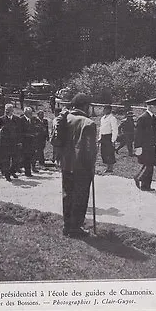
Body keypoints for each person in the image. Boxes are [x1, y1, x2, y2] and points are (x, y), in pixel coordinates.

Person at [57, 93, 97, 238]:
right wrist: (91, 166)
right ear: (85, 106)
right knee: (80, 197)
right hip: (81, 167)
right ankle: (76, 228)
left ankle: (67, 225)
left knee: (67, 195)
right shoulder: (88, 123)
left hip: (66, 164)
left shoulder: (66, 118)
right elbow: (90, 150)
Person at [134, 97, 156, 191]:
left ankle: (145, 186)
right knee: (148, 165)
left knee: (149, 166)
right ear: (151, 107)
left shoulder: (152, 117)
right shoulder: (142, 118)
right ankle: (138, 177)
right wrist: (138, 147)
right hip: (144, 147)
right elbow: (138, 134)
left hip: (151, 146)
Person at [0, 104, 22, 181]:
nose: (7, 111)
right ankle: (7, 175)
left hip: (14, 142)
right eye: (6, 110)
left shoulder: (16, 119)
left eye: (9, 110)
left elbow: (19, 131)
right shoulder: (1, 119)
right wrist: (1, 130)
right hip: (5, 143)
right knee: (6, 160)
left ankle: (12, 171)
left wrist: (19, 141)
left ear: (12, 110)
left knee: (16, 160)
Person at [98, 105, 118, 173]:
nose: (104, 110)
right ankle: (107, 167)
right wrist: (100, 137)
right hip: (103, 137)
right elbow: (101, 128)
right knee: (104, 152)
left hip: (109, 137)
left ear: (109, 110)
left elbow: (114, 129)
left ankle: (110, 168)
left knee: (110, 152)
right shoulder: (102, 118)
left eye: (106, 109)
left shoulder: (112, 118)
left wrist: (113, 140)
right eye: (104, 109)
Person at [20, 107, 37, 177]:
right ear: (25, 113)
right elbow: (20, 132)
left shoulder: (32, 120)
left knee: (29, 157)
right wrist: (28, 135)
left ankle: (28, 171)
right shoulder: (21, 120)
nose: (31, 114)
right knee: (26, 157)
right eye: (29, 113)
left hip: (31, 142)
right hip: (24, 142)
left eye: (31, 113)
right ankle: (27, 172)